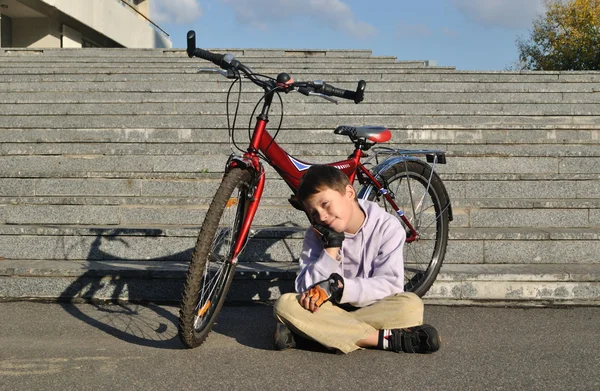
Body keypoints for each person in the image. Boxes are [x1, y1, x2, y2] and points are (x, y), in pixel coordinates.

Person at [273, 164, 440, 354]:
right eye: (314, 213)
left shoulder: (387, 227)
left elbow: (390, 286)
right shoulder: (316, 234)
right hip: (327, 309)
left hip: (371, 308)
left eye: (325, 204)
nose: (322, 216)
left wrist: (342, 288)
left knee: (411, 306)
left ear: (349, 192)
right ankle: (381, 339)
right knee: (286, 304)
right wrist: (330, 250)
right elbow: (304, 289)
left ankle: (309, 336)